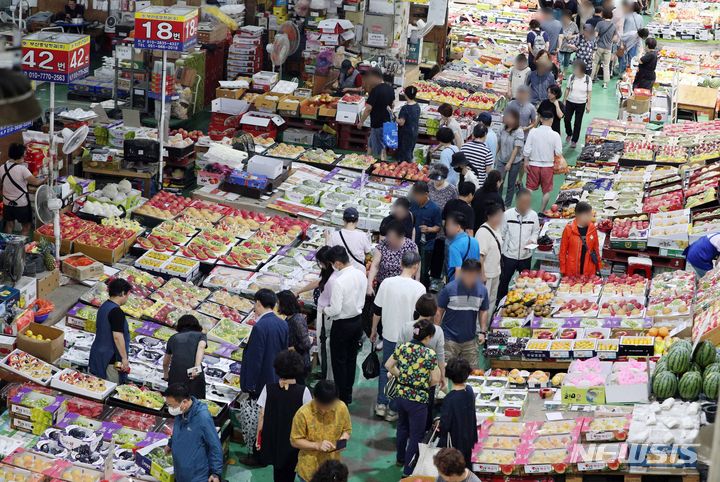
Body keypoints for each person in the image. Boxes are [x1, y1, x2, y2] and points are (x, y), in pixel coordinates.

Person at [371, 251, 426, 421]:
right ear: (416, 266)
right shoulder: (419, 288)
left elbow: (377, 310)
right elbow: (420, 316)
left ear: (401, 264)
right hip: (408, 337)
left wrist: (373, 330)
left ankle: (381, 404)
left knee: (385, 368)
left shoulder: (387, 283)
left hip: (388, 333)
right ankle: (393, 409)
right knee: (402, 371)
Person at [385, 318, 441, 477]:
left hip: (401, 395)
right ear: (429, 336)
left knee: (402, 427)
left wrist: (402, 376)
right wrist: (422, 383)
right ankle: (408, 471)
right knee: (416, 435)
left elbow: (388, 365)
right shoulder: (429, 354)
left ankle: (400, 458)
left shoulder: (403, 348)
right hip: (418, 400)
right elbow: (436, 379)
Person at [256, 350, 312, 482]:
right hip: (293, 442)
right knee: (289, 473)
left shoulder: (268, 389)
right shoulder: (304, 391)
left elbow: (261, 416)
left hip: (274, 440)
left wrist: (259, 440)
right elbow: (309, 419)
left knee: (278, 472)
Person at [324, 246, 367, 404]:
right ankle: (347, 394)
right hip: (357, 322)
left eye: (332, 264)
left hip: (342, 325)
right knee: (351, 358)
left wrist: (325, 310)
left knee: (339, 362)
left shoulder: (339, 282)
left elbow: (335, 309)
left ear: (337, 263)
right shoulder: (360, 274)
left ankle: (340, 395)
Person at [290, 380, 351, 482]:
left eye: (329, 406)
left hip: (332, 470)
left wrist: (342, 442)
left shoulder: (341, 408)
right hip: (309, 470)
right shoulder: (303, 414)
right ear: (315, 398)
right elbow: (294, 440)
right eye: (322, 406)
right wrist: (316, 445)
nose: (325, 410)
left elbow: (347, 429)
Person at [398, 295, 446, 421]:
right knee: (425, 415)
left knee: (403, 418)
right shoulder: (437, 331)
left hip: (405, 378)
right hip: (426, 380)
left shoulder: (406, 327)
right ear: (434, 311)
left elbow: (398, 351)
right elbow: (440, 357)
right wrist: (442, 377)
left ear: (417, 308)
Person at [436, 259, 490, 369]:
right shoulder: (449, 289)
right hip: (449, 340)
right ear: (462, 273)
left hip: (470, 339)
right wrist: (436, 331)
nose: (472, 279)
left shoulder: (482, 291)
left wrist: (483, 331)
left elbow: (483, 310)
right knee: (446, 372)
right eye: (469, 276)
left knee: (473, 372)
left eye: (475, 276)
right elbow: (439, 311)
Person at [164, 383, 223, 482]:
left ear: (185, 402)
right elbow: (178, 431)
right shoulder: (180, 411)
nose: (170, 409)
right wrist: (170, 444)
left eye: (171, 405)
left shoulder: (202, 417)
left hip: (197, 476)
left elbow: (215, 445)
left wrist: (215, 473)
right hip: (180, 472)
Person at [241, 289, 289, 398]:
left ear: (258, 303)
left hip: (261, 380)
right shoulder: (283, 324)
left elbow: (255, 358)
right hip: (276, 377)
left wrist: (250, 384)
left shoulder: (259, 327)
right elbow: (285, 352)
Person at [497, 188, 540, 302]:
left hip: (525, 256)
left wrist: (532, 240)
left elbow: (535, 231)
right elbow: (502, 233)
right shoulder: (507, 215)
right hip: (509, 256)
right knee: (504, 281)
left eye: (528, 203)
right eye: (524, 203)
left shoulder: (533, 215)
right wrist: (504, 250)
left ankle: (523, 302)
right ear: (517, 201)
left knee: (526, 283)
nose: (526, 206)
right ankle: (500, 303)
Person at [89, 279, 132, 383]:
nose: (127, 298)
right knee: (109, 388)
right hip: (110, 359)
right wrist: (124, 358)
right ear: (122, 293)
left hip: (98, 353)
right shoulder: (116, 312)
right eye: (127, 294)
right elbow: (117, 337)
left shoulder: (104, 306)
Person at [438, 358, 478, 467]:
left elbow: (445, 425)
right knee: (467, 465)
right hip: (469, 437)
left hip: (455, 441)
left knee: (455, 468)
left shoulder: (449, 399)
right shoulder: (469, 390)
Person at [523, 109, 562, 212]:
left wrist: (526, 162)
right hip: (548, 166)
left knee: (529, 188)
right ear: (552, 120)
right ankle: (541, 211)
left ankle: (525, 209)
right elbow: (558, 152)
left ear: (540, 119)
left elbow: (527, 149)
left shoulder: (533, 132)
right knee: (546, 191)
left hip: (533, 164)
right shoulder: (555, 135)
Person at [2, 143, 44, 235]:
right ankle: (19, 247)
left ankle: (8, 246)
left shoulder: (2, 168)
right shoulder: (22, 169)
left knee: (9, 224)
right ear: (20, 156)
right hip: (21, 204)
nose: (25, 156)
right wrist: (46, 178)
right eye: (24, 154)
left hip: (7, 202)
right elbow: (35, 182)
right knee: (26, 226)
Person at [368, 220, 419, 294]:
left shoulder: (411, 246)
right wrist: (369, 285)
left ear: (400, 236)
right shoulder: (383, 245)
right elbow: (375, 266)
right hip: (384, 287)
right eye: (388, 236)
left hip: (403, 288)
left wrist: (417, 281)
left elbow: (417, 266)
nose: (388, 239)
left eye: (391, 237)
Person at [163, 315, 207, 399]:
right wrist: (197, 367)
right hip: (193, 373)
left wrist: (166, 375)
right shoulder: (201, 335)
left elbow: (165, 362)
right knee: (195, 402)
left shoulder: (173, 338)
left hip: (175, 374)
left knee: (176, 402)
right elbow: (201, 348)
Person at [410, 182, 443, 288]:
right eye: (415, 195)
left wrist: (428, 229)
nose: (416, 198)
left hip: (426, 246)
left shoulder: (435, 209)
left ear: (426, 194)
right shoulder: (413, 205)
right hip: (413, 242)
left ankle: (422, 289)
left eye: (418, 195)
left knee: (423, 270)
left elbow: (438, 227)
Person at [357, 67, 394, 159]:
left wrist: (361, 121)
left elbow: (368, 108)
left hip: (378, 124)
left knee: (380, 149)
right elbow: (392, 105)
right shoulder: (390, 88)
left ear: (374, 77)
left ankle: (380, 165)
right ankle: (366, 159)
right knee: (371, 143)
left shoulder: (376, 90)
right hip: (388, 123)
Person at [475, 203, 504, 315]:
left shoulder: (497, 228)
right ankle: (479, 329)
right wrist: (482, 275)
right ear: (489, 216)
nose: (499, 219)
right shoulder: (482, 232)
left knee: (492, 301)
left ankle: (486, 326)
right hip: (486, 274)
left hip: (496, 272)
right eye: (496, 216)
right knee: (483, 303)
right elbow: (480, 256)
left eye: (500, 216)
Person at [277, 291, 312, 381]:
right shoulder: (290, 318)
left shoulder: (297, 320)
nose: (277, 306)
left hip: (298, 365)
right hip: (293, 362)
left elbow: (306, 344)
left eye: (278, 303)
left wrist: (288, 349)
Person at [559, 201, 601, 276]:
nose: (590, 217)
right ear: (580, 215)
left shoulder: (592, 228)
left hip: (589, 268)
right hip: (572, 269)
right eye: (588, 215)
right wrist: (563, 269)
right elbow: (563, 251)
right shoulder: (568, 229)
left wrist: (598, 266)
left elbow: (596, 249)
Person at [495, 108, 525, 206]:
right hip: (501, 159)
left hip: (515, 161)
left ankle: (507, 205)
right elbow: (498, 143)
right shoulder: (502, 128)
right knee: (499, 182)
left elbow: (516, 149)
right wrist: (495, 156)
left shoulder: (519, 131)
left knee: (510, 185)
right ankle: (498, 203)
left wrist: (509, 163)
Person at [327, 207, 371, 272]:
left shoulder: (334, 235)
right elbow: (368, 254)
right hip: (359, 272)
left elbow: (328, 254)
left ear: (343, 220)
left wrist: (327, 238)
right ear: (357, 221)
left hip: (341, 272)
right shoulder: (362, 236)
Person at [564, 60, 592, 148]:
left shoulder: (587, 79)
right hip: (570, 101)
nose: (574, 70)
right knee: (566, 119)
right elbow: (567, 89)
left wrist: (588, 104)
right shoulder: (572, 77)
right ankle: (569, 133)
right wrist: (564, 100)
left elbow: (589, 92)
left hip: (581, 103)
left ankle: (574, 140)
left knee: (578, 123)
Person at [445, 212, 480, 282]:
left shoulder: (454, 247)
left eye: (448, 225)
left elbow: (458, 270)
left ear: (458, 227)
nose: (446, 228)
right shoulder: (475, 241)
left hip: (460, 284)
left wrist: (457, 290)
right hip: (474, 281)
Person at [591, 7, 617, 89]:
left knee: (595, 63)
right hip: (608, 48)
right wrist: (609, 41)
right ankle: (605, 83)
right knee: (606, 65)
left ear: (603, 15)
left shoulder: (600, 24)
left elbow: (595, 35)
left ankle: (591, 79)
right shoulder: (613, 25)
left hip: (599, 46)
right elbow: (615, 39)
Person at [397, 86, 421, 162]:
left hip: (405, 133)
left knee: (404, 153)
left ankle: (405, 167)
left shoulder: (405, 108)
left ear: (405, 94)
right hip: (414, 132)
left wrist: (394, 117)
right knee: (410, 150)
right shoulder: (417, 106)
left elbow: (401, 123)